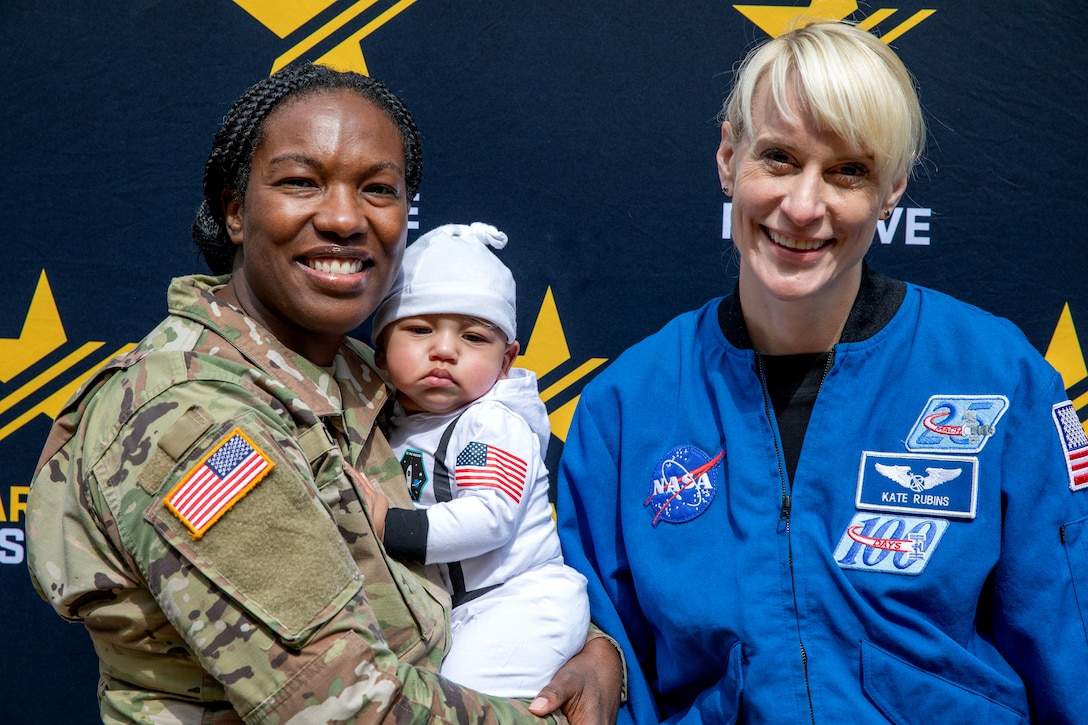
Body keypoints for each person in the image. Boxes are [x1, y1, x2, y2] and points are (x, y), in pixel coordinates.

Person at [25, 61, 621, 724]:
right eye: (301, 182)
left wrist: (593, 649)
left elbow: (468, 573)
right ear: (234, 209)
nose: (344, 218)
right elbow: (344, 706)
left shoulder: (365, 376)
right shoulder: (195, 422)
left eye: (377, 189)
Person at [556, 20, 1088, 724]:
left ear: (892, 188)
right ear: (727, 156)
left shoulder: (997, 376)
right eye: (777, 158)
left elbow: (1065, 641)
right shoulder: (625, 407)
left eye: (849, 171)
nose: (804, 207)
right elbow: (610, 648)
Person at [371, 221, 591, 699]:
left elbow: (490, 515)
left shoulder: (490, 423)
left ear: (507, 359)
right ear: (382, 351)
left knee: (456, 702)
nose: (444, 350)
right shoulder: (388, 423)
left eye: (473, 337)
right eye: (419, 328)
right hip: (461, 610)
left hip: (522, 603)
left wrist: (389, 527)